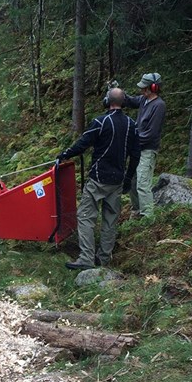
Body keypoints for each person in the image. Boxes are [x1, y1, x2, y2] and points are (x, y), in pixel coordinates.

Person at [57, 88, 140, 270]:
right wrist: (128, 178)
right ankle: (103, 259)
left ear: (107, 102)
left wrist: (64, 155)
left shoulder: (101, 122)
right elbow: (135, 155)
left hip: (98, 178)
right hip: (118, 179)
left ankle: (86, 257)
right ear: (124, 103)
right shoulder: (132, 124)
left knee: (85, 216)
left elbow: (83, 143)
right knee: (110, 220)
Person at [123, 72, 166, 218]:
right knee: (132, 181)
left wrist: (132, 142)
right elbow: (129, 101)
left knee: (142, 183)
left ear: (153, 88)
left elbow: (151, 134)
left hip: (147, 150)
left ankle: (147, 217)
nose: (141, 90)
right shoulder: (143, 100)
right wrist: (117, 91)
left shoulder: (159, 105)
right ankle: (137, 211)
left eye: (144, 88)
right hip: (137, 149)